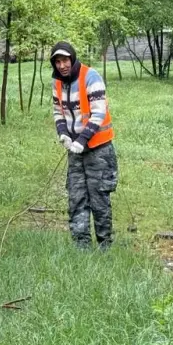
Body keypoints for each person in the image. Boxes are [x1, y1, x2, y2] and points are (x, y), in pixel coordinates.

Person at [50, 41, 118, 250]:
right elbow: (57, 111)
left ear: (73, 58)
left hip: (98, 149)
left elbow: (98, 113)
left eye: (65, 60)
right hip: (75, 150)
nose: (62, 65)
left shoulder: (91, 77)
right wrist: (63, 135)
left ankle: (105, 245)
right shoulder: (58, 83)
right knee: (76, 196)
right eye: (58, 62)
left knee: (99, 197)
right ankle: (82, 246)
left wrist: (82, 139)